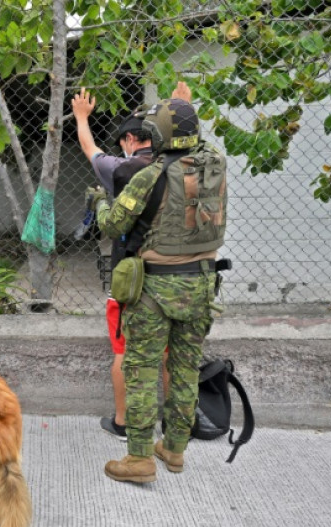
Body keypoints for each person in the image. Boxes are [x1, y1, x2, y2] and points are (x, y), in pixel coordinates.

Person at [91, 91, 227, 483]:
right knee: (184, 370)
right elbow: (196, 141)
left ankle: (138, 459)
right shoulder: (216, 164)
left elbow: (113, 225)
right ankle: (174, 449)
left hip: (157, 289)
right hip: (202, 284)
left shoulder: (150, 175)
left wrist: (100, 201)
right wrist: (184, 109)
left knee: (142, 369)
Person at [72, 83, 191, 441]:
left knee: (125, 352)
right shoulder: (180, 164)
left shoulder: (120, 169)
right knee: (171, 353)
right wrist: (181, 108)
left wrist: (81, 117)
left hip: (132, 279)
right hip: (176, 274)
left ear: (126, 141)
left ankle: (124, 422)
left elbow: (89, 148)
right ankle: (174, 423)